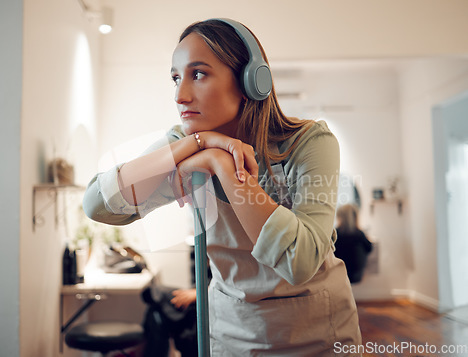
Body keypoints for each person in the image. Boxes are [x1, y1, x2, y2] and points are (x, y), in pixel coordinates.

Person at [83, 18, 361, 356]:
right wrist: (198, 144)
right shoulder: (185, 144)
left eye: (197, 74)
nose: (179, 95)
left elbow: (298, 261)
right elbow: (98, 204)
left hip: (313, 335)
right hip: (232, 332)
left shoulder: (309, 142)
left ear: (250, 81)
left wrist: (222, 165)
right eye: (175, 78)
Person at [335, 204, 373, 284]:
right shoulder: (359, 234)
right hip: (356, 274)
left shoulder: (336, 234)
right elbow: (369, 248)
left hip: (339, 274)